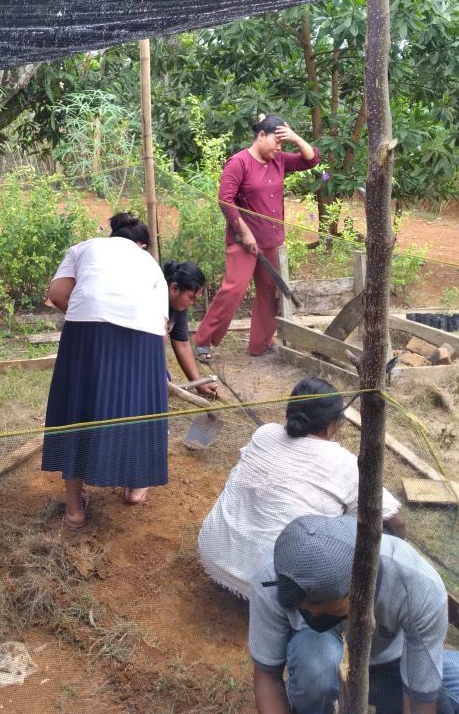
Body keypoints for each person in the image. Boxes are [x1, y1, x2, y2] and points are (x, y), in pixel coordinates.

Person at [249, 514, 459, 714]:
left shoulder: (418, 586)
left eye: (324, 610)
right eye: (305, 611)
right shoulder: (270, 580)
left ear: (356, 590)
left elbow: (419, 706)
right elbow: (268, 678)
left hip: (393, 664)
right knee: (317, 663)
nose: (313, 614)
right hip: (320, 664)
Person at [198, 377, 404, 597]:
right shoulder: (344, 463)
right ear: (330, 426)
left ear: (289, 412)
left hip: (213, 557)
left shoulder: (264, 433)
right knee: (365, 523)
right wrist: (398, 552)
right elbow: (396, 520)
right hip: (276, 586)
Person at [42, 212, 169, 528]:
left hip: (87, 326)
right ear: (141, 244)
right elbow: (162, 325)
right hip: (145, 331)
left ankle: (74, 510)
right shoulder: (150, 263)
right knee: (137, 405)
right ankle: (135, 487)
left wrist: (89, 315)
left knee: (79, 405)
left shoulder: (84, 247)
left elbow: (57, 295)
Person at [194, 114, 319, 361]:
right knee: (233, 290)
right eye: (277, 141)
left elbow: (311, 160)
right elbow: (225, 200)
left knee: (269, 293)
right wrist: (244, 232)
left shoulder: (279, 160)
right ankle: (202, 341)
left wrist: (294, 137)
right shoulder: (239, 162)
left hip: (271, 239)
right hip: (243, 241)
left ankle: (260, 344)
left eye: (283, 144)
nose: (279, 148)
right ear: (261, 136)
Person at [164, 260, 218, 398]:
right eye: (191, 297)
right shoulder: (154, 300)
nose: (192, 303)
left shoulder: (178, 306)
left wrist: (198, 384)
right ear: (174, 288)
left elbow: (182, 344)